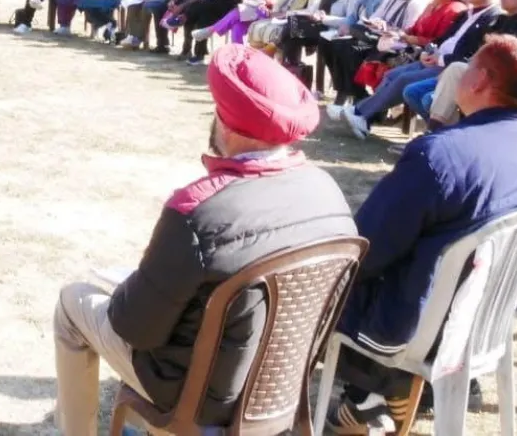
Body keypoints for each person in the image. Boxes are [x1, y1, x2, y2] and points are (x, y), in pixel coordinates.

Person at [54, 45, 356, 435]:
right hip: (276, 386)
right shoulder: (328, 191)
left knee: (73, 301)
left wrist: (130, 290)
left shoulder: (200, 210)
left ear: (226, 124)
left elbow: (135, 328)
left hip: (197, 397)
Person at [326, 35, 517, 434]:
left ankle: (378, 388)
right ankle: (372, 396)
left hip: (416, 326)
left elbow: (365, 249)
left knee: (319, 277)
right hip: (489, 313)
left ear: (479, 82)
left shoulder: (441, 153)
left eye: (469, 63)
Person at [342, 0, 503, 140]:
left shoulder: (493, 18)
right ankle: (362, 115)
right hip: (433, 57)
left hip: (452, 68)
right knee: (392, 74)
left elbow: (473, 54)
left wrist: (437, 57)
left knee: (405, 80)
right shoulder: (467, 14)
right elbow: (443, 39)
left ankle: (361, 113)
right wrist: (429, 51)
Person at [415, 0, 517, 125]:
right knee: (420, 92)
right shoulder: (500, 20)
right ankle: (445, 131)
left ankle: (438, 130)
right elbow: (480, 49)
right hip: (477, 71)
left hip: (498, 80)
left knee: (450, 73)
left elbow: (508, 60)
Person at [322, 0, 394, 117]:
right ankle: (345, 92)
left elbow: (376, 23)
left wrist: (354, 28)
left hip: (374, 40)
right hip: (357, 36)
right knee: (334, 45)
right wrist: (345, 26)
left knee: (349, 50)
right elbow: (352, 17)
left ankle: (356, 94)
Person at [277, 0, 366, 74]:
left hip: (334, 30)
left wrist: (325, 18)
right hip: (320, 25)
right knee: (292, 23)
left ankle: (291, 65)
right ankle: (292, 65)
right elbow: (322, 7)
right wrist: (317, 14)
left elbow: (350, 20)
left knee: (293, 28)